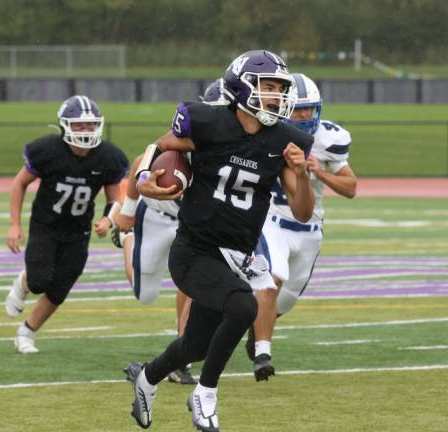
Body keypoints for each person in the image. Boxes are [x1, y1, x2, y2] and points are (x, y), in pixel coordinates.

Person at [123, 50, 314, 431]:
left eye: (280, 89)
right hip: (194, 250)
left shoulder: (285, 141)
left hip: (236, 256)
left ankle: (147, 377)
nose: (276, 96)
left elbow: (303, 211)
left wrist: (302, 174)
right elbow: (161, 146)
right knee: (243, 307)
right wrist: (145, 176)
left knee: (195, 345)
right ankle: (205, 394)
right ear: (242, 87)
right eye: (268, 87)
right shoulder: (209, 121)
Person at [110, 80, 230, 385]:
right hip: (155, 215)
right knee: (145, 294)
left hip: (191, 224)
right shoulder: (191, 137)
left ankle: (182, 354)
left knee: (194, 281)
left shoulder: (242, 147)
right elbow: (143, 160)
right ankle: (127, 239)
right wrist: (126, 213)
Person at [247, 73, 358, 380]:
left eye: (309, 109)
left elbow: (351, 187)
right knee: (273, 278)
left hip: (310, 228)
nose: (304, 115)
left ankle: (257, 328)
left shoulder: (327, 138)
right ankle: (263, 353)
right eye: (298, 109)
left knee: (287, 299)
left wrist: (319, 173)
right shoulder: (268, 132)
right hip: (273, 219)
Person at [5, 95, 129, 354]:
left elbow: (114, 197)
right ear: (65, 126)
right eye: (79, 125)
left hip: (79, 230)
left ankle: (26, 332)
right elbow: (20, 183)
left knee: (60, 288)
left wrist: (108, 219)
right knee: (39, 281)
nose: (86, 130)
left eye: (91, 125)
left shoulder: (108, 156)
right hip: (46, 225)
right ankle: (24, 282)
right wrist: (14, 224)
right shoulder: (48, 150)